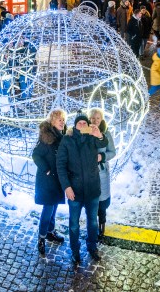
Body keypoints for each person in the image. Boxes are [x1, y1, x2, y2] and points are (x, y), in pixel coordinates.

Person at [56, 113, 107, 265]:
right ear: (75, 125)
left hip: (92, 190)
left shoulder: (92, 137)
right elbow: (61, 166)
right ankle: (75, 251)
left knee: (92, 222)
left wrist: (99, 135)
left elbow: (104, 143)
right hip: (75, 192)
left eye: (85, 123)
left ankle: (92, 247)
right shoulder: (67, 140)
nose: (83, 125)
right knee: (73, 224)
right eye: (80, 123)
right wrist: (67, 187)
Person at [31, 109, 66, 256]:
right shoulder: (47, 137)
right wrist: (46, 170)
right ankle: (42, 237)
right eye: (60, 120)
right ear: (52, 121)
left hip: (56, 179)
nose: (62, 122)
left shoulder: (60, 135)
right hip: (47, 180)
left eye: (63, 120)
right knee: (48, 209)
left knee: (54, 207)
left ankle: (50, 232)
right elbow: (36, 155)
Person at [90, 108, 116, 240]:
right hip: (88, 174)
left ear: (101, 120)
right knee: (91, 203)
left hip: (101, 173)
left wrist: (102, 156)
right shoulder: (85, 133)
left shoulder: (106, 134)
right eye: (92, 118)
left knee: (102, 203)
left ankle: (102, 225)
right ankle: (92, 226)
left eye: (97, 118)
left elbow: (113, 152)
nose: (95, 121)